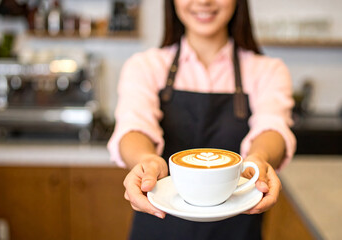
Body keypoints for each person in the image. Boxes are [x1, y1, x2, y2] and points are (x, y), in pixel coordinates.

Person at [107, 0, 296, 239]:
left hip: (236, 230)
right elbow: (134, 125)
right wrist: (145, 160)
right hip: (159, 227)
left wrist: (260, 157)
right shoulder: (145, 66)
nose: (204, 1)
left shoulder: (268, 70)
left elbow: (272, 126)